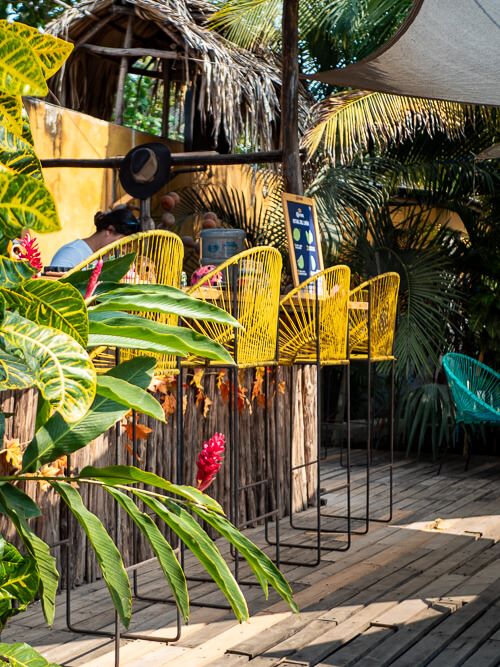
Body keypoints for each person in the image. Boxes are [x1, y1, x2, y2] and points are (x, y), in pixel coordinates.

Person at [49, 205, 141, 269]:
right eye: (123, 243)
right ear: (109, 231)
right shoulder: (71, 254)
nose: (123, 250)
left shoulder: (103, 260)